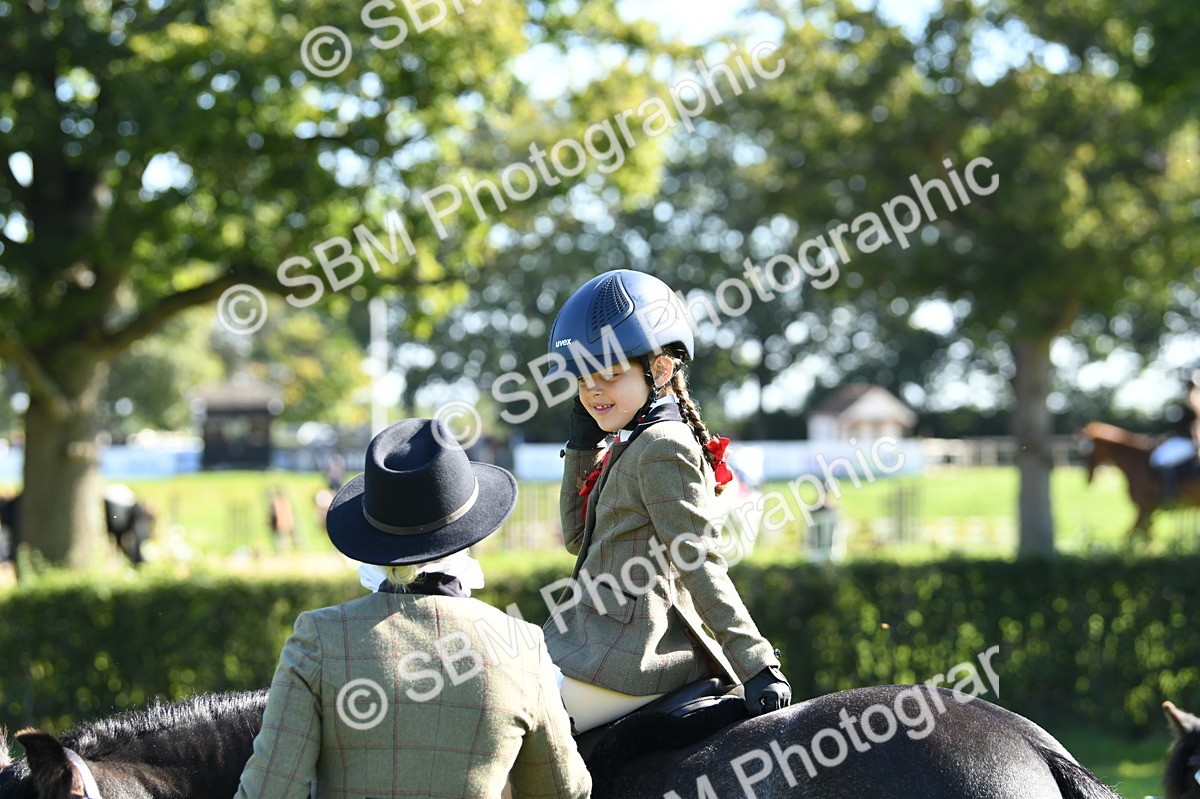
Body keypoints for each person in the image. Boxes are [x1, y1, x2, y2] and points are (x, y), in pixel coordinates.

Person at [234, 419, 590, 799]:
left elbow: (269, 790)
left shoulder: (318, 638)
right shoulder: (521, 644)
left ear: (375, 540)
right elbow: (563, 791)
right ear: (470, 531)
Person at [541, 269, 790, 734]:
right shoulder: (632, 439)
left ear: (659, 369)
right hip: (595, 643)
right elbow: (579, 538)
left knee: (502, 725)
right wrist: (581, 445)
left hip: (633, 655)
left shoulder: (661, 445)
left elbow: (697, 558)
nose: (594, 390)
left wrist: (756, 662)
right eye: (583, 380)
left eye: (610, 375)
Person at [1150, 370, 1200, 503]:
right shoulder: (1189, 399)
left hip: (1187, 442)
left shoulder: (1194, 400)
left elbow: (1195, 423)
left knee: (1160, 459)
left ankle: (1170, 490)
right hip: (1181, 439)